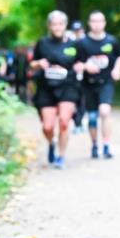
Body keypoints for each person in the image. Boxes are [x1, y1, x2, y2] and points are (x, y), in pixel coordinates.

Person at [30, 11, 83, 169]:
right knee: (47, 127)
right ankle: (51, 142)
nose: (57, 27)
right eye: (54, 24)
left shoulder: (74, 44)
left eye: (60, 24)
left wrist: (80, 67)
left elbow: (82, 62)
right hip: (47, 87)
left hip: (68, 86)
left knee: (64, 122)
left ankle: (61, 156)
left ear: (65, 25)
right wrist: (39, 64)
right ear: (49, 26)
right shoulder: (42, 43)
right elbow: (32, 64)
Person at [76, 11, 120, 158]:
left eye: (100, 21)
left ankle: (106, 145)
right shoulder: (82, 43)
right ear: (89, 23)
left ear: (104, 23)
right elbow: (75, 63)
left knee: (105, 111)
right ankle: (94, 145)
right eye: (94, 21)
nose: (97, 24)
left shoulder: (111, 41)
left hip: (106, 82)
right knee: (92, 117)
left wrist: (117, 69)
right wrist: (85, 67)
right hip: (88, 84)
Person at [70, 20, 87, 134]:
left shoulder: (87, 42)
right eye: (75, 31)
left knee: (83, 101)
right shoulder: (69, 43)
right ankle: (76, 122)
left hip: (85, 77)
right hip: (72, 77)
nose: (77, 33)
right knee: (72, 101)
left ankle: (79, 122)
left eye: (79, 30)